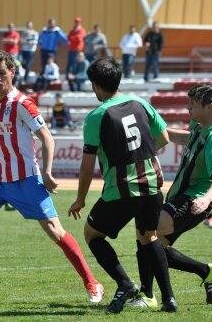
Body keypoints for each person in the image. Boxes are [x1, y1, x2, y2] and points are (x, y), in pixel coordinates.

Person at [0, 51, 104, 304]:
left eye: (2, 74)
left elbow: (47, 137)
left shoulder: (22, 103)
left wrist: (47, 171)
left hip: (26, 180)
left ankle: (92, 282)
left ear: (12, 73)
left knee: (55, 231)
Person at [68, 57, 177, 313]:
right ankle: (169, 299)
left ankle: (126, 284)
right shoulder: (141, 102)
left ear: (95, 85)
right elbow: (164, 137)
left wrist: (81, 198)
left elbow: (87, 165)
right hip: (151, 184)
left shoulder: (96, 116)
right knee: (148, 237)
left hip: (122, 189)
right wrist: (141, 155)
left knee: (92, 234)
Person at [129, 84, 212, 310]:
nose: (188, 108)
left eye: (193, 105)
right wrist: (154, 133)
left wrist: (207, 198)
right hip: (180, 197)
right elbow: (186, 138)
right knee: (156, 248)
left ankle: (149, 296)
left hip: (194, 200)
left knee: (146, 232)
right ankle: (206, 271)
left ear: (209, 107)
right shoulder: (200, 124)